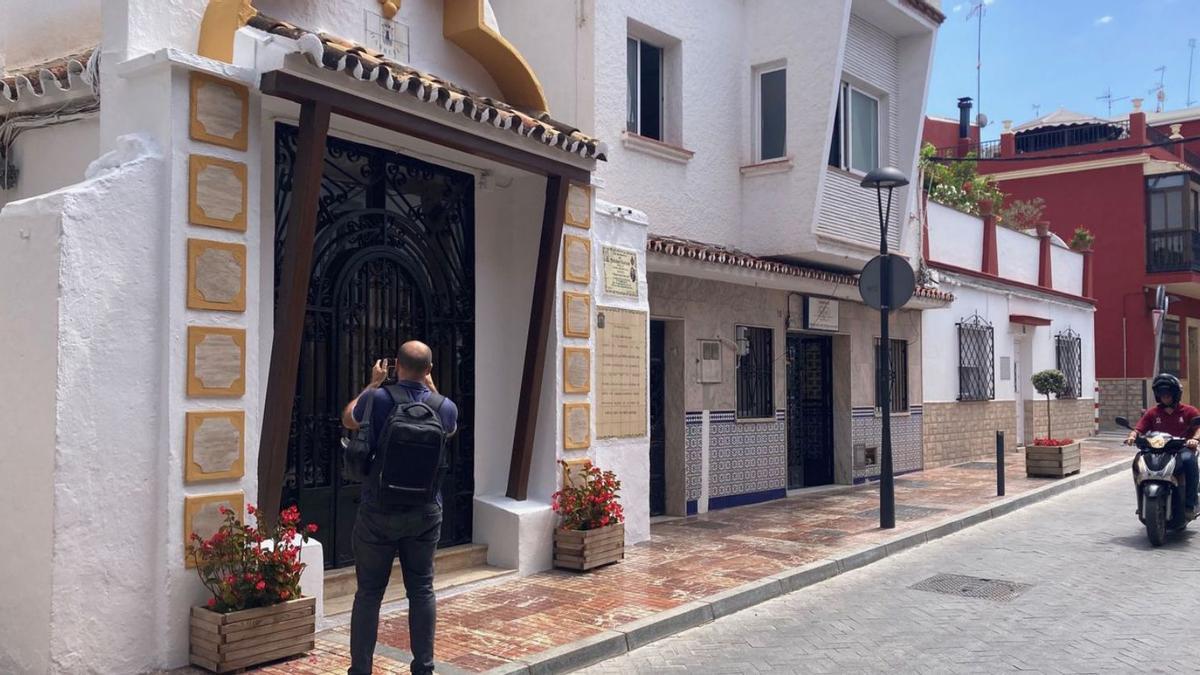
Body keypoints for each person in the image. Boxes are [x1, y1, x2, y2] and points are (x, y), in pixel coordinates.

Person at [342, 341, 458, 675]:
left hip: (378, 511)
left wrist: (373, 383)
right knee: (422, 590)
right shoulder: (444, 406)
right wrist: (432, 388)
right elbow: (449, 430)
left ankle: (360, 670)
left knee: (368, 593)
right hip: (424, 512)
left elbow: (349, 419)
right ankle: (424, 667)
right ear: (429, 369)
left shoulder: (378, 399)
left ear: (396, 367)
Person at [1126, 373, 1200, 519]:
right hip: (1158, 449)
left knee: (1189, 462)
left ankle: (1190, 504)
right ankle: (1141, 502)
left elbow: (1198, 427)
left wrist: (1195, 439)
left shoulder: (1189, 411)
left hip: (1181, 448)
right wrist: (1132, 436)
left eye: (1168, 393)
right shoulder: (1153, 412)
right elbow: (1139, 428)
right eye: (1161, 394)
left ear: (1175, 394)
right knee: (1138, 461)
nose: (1164, 397)